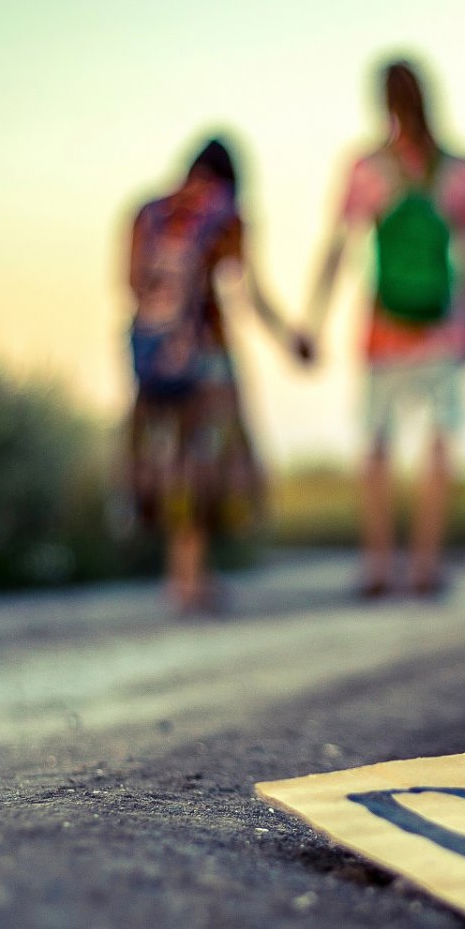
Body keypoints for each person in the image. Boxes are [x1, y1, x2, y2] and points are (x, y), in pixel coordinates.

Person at [303, 58, 465, 598]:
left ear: (383, 103)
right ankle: (425, 566)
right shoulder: (457, 169)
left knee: (377, 446)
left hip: (383, 328)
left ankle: (379, 565)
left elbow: (339, 248)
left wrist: (314, 320)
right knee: (438, 444)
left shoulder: (368, 169)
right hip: (443, 327)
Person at [121, 137, 310, 613]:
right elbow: (251, 292)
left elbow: (127, 283)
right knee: (203, 465)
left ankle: (179, 576)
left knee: (169, 462)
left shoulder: (147, 213)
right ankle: (191, 578)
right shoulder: (225, 215)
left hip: (154, 354)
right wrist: (289, 337)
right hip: (207, 356)